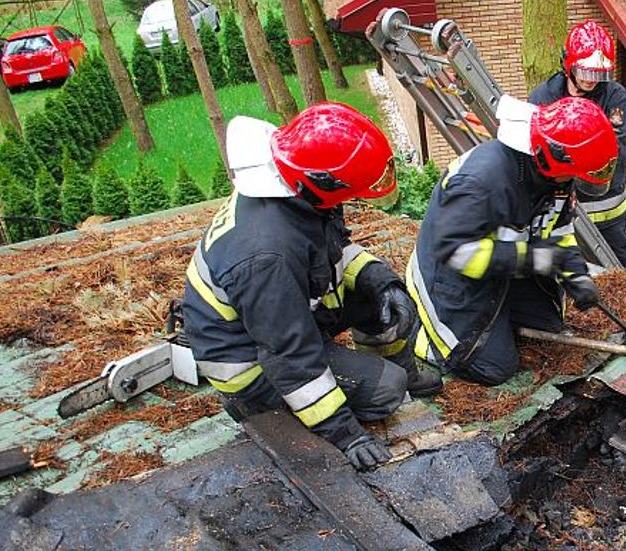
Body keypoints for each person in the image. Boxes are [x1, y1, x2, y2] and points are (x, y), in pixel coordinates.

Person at [182, 102, 442, 472]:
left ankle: (399, 367)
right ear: (327, 185)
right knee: (387, 389)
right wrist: (345, 434)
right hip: (252, 365)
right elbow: (288, 356)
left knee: (383, 299)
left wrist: (381, 282)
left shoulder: (297, 189)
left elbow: (331, 252)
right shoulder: (267, 255)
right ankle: (278, 408)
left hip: (287, 314)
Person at [408, 95, 618, 386]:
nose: (577, 183)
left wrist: (577, 275)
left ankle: (500, 316)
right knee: (494, 368)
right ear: (554, 159)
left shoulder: (554, 177)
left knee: (550, 327)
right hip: (451, 278)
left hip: (503, 267)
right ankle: (423, 334)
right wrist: (538, 258)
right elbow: (456, 252)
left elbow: (558, 232)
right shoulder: (481, 181)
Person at [529, 20, 626, 274]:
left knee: (621, 263)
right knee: (570, 266)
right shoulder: (544, 97)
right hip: (561, 202)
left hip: (608, 202)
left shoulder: (615, 97)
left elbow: (608, 143)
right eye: (586, 73)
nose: (592, 81)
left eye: (599, 74)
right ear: (569, 66)